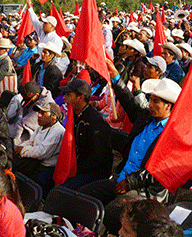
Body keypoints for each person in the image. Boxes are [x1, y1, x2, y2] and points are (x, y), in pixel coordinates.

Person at [80, 62, 182, 235]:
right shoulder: (146, 118)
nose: (150, 104)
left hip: (145, 192)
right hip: (122, 178)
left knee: (111, 214)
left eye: (156, 101)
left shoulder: (172, 135)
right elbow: (129, 102)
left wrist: (130, 182)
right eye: (150, 100)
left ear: (169, 106)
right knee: (83, 196)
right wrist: (115, 77)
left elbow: (158, 171)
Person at [59, 79, 113, 190]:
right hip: (77, 164)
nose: (64, 98)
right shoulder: (74, 115)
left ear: (80, 98)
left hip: (94, 171)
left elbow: (98, 157)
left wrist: (74, 168)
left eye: (69, 95)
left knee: (62, 189)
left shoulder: (95, 122)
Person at [13, 102, 64, 192]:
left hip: (47, 167)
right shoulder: (41, 127)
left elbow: (42, 152)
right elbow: (30, 142)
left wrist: (22, 151)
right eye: (39, 113)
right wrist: (20, 147)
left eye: (43, 113)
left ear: (54, 116)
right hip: (35, 162)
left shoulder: (58, 132)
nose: (39, 116)